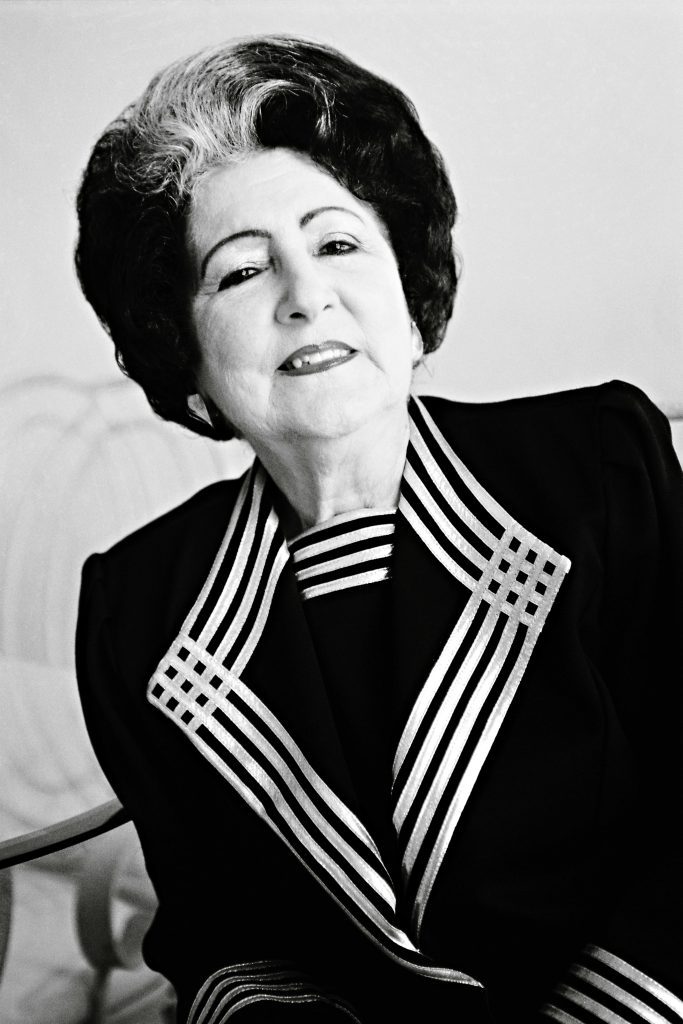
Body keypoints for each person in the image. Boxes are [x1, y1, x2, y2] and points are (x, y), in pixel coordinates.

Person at [74, 35, 683, 1024]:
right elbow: (216, 936)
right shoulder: (133, 608)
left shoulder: (597, 467)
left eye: (337, 244)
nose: (304, 294)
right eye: (240, 271)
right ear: (185, 359)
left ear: (407, 299)